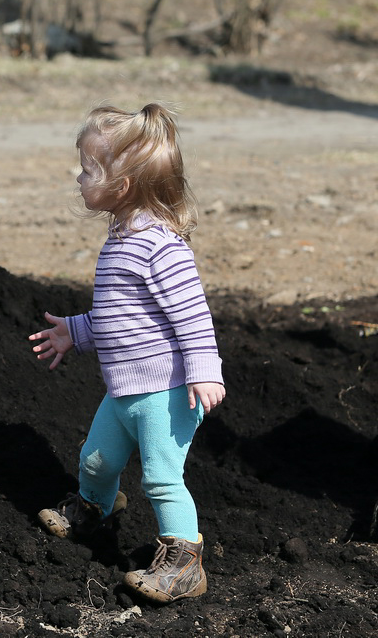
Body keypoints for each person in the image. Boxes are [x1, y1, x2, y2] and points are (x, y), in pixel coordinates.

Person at [28, 103, 226, 604]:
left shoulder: (161, 246)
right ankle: (94, 507)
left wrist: (204, 373)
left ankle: (184, 563)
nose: (78, 177)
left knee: (161, 478)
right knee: (95, 459)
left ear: (122, 186)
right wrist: (74, 331)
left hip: (168, 393)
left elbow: (194, 317)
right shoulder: (121, 239)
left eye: (89, 169)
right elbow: (122, 318)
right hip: (124, 390)